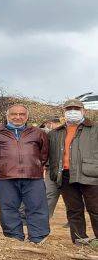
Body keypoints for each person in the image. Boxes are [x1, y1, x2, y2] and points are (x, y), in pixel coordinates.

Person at [0, 104, 49, 243]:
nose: (18, 117)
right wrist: (0, 167)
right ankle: (14, 238)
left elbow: (44, 154)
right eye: (14, 114)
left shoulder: (38, 133)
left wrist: (36, 165)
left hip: (33, 176)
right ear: (7, 115)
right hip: (6, 177)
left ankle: (38, 238)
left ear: (27, 116)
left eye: (22, 114)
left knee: (37, 206)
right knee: (8, 208)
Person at [48, 99, 98, 245]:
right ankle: (79, 239)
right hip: (65, 176)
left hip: (91, 175)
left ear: (83, 111)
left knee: (95, 209)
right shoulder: (55, 133)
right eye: (69, 109)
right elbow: (50, 155)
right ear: (64, 112)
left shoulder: (94, 129)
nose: (73, 111)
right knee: (74, 210)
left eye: (76, 108)